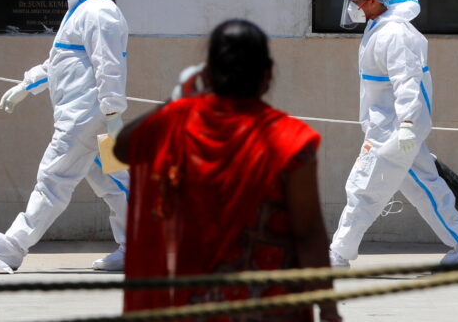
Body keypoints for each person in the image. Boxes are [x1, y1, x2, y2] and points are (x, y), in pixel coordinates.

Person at [114, 19, 342, 322]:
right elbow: (308, 233)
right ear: (268, 73)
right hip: (272, 308)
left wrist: (177, 98)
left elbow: (123, 149)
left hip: (199, 305)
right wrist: (329, 310)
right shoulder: (291, 139)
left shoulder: (179, 122)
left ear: (207, 74)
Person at [0, 0, 130, 273]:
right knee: (116, 183)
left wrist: (114, 113)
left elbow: (109, 65)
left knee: (53, 178)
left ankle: (14, 246)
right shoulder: (83, 10)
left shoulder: (99, 12)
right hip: (92, 118)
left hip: (85, 119)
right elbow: (59, 62)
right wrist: (26, 86)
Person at [330, 0, 458, 267]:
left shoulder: (395, 34)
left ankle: (338, 255)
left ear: (373, 1)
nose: (352, 6)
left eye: (356, 0)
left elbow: (408, 82)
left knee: (363, 189)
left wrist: (406, 127)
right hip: (393, 128)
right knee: (426, 188)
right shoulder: (379, 26)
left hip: (393, 131)